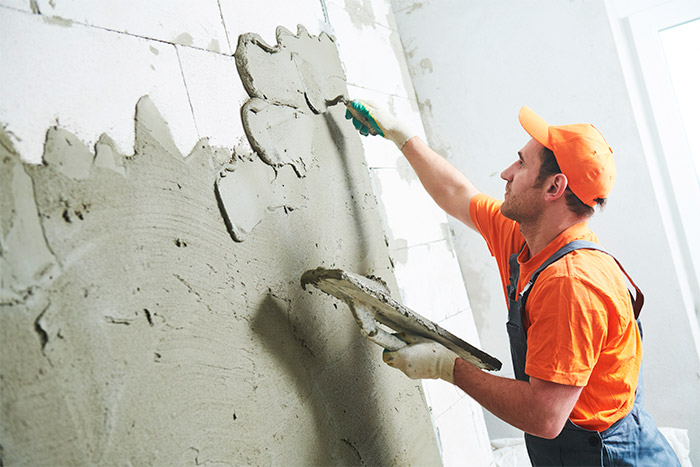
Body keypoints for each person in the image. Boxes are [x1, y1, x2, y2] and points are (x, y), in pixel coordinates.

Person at [345, 101, 680, 466]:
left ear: (554, 187)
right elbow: (459, 194)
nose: (506, 173)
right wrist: (398, 132)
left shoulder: (571, 285)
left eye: (521, 163)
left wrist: (447, 367)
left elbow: (545, 416)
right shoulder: (529, 238)